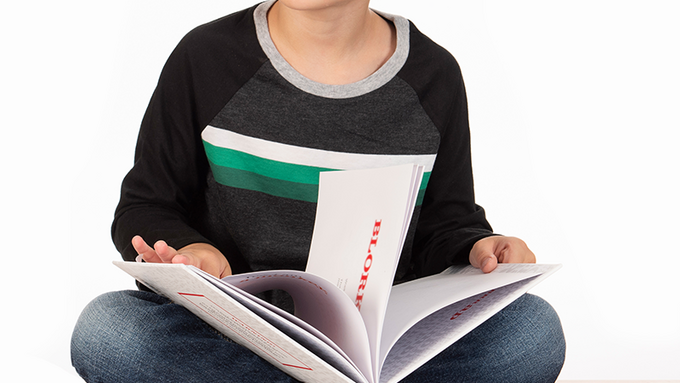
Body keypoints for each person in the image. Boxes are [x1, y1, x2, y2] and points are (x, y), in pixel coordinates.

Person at [71, 0, 566, 382]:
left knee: (530, 333)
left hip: (375, 341)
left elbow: (447, 220)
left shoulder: (433, 74)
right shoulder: (206, 56)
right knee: (108, 333)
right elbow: (146, 204)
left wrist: (479, 247)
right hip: (236, 330)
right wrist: (193, 251)